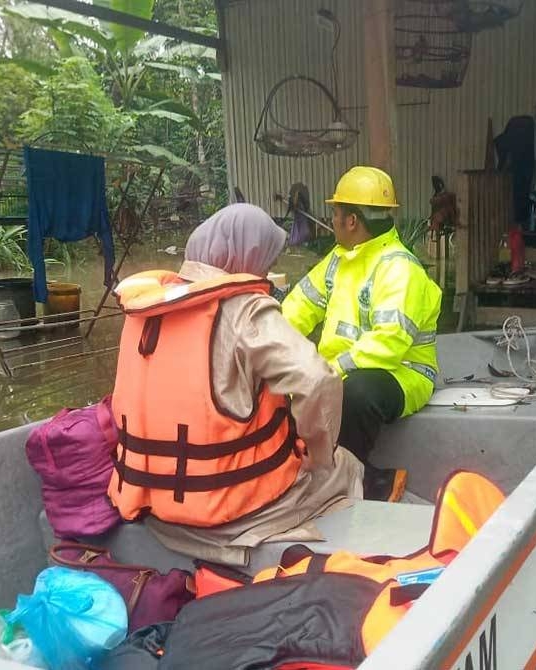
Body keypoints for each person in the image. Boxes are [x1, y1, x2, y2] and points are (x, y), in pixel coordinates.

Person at [108, 204, 363, 568]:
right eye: (265, 258)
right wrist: (316, 454)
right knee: (345, 465)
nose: (265, 269)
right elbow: (318, 380)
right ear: (249, 255)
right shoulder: (245, 308)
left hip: (154, 509)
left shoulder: (144, 308)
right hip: (231, 516)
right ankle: (338, 569)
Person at [282, 166, 442, 502]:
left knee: (354, 393)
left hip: (403, 373)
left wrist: (330, 370)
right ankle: (309, 475)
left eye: (336, 213)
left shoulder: (400, 268)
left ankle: (364, 483)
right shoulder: (338, 261)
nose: (334, 220)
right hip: (345, 368)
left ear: (352, 221)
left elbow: (389, 342)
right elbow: (296, 309)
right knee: (282, 386)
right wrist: (266, 348)